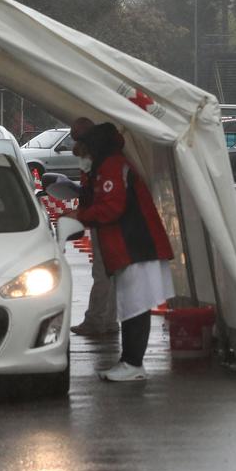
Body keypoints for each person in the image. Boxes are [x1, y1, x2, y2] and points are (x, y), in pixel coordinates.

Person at [65, 123, 173, 382]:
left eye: (84, 150)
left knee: (135, 306)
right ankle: (129, 361)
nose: (83, 156)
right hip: (132, 247)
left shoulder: (111, 166)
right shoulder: (108, 165)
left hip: (135, 245)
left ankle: (133, 364)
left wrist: (80, 216)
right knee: (132, 305)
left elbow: (112, 207)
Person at [64, 117, 119, 337]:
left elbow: (100, 197)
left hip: (105, 222)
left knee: (102, 272)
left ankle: (96, 320)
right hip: (108, 221)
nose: (75, 143)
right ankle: (108, 319)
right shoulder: (106, 156)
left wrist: (82, 214)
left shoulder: (98, 159)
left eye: (76, 137)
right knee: (110, 273)